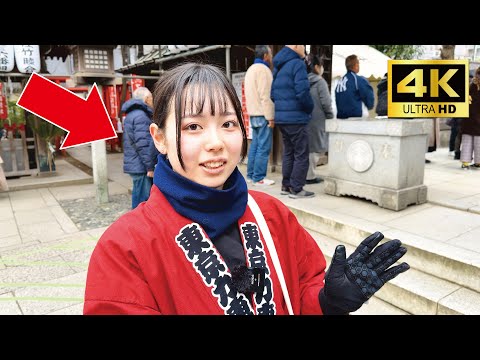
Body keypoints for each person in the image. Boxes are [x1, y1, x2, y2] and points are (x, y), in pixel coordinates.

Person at [83, 62, 410, 315]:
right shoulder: (124, 248)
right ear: (159, 138)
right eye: (193, 127)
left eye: (227, 124)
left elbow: (303, 289)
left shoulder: (271, 214)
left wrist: (328, 300)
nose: (216, 143)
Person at [271, 45, 315, 199]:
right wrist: (310, 108)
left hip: (282, 118)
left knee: (288, 152)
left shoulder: (279, 66)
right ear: (296, 46)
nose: (305, 50)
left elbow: (272, 94)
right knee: (301, 153)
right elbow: (303, 91)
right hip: (296, 118)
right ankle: (297, 189)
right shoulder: (297, 64)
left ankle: (286, 185)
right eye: (304, 47)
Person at [121, 86, 159, 209]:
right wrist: (150, 167)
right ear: (147, 99)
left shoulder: (133, 114)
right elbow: (144, 145)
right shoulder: (141, 116)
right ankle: (137, 225)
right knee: (141, 199)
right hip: (140, 165)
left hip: (135, 163)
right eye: (152, 98)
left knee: (139, 195)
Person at [244, 45, 275, 186]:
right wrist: (270, 116)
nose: (271, 57)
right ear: (266, 56)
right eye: (270, 54)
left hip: (253, 113)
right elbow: (265, 96)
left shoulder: (250, 69)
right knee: (263, 147)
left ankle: (250, 175)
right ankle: (259, 177)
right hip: (263, 113)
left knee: (255, 145)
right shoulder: (264, 70)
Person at [305, 54, 333, 184]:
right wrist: (330, 116)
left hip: (306, 118)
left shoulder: (303, 80)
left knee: (307, 147)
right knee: (315, 149)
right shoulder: (320, 82)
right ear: (316, 67)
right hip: (318, 119)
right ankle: (310, 176)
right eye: (321, 66)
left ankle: (306, 174)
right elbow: (326, 102)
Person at [335, 54, 374, 119]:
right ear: (356, 65)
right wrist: (369, 105)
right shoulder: (358, 80)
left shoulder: (340, 82)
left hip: (341, 119)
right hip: (356, 119)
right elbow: (369, 99)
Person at [460, 66, 480, 169]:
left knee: (468, 140)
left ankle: (465, 162)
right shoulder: (472, 86)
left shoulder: (471, 85)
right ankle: (477, 162)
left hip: (469, 118)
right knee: (477, 141)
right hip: (475, 118)